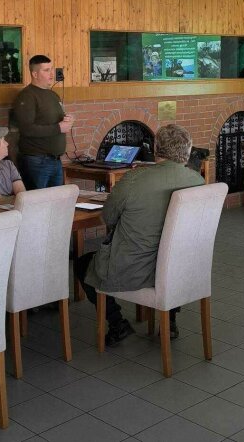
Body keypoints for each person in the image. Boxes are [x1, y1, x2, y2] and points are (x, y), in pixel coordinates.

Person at [75, 124, 205, 345]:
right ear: (188, 149)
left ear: (155, 148)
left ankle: (117, 323)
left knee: (82, 264)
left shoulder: (134, 179)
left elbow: (108, 217)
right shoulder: (198, 182)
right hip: (179, 268)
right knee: (170, 247)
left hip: (135, 267)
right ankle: (169, 319)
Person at [12, 54, 74, 189]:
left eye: (51, 69)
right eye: (46, 70)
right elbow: (27, 129)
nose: (51, 74)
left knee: (55, 203)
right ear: (34, 74)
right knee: (38, 204)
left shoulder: (53, 94)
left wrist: (67, 121)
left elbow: (54, 121)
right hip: (37, 161)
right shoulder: (27, 96)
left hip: (56, 160)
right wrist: (59, 128)